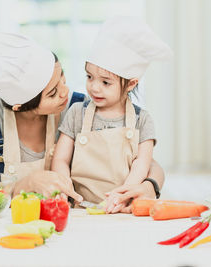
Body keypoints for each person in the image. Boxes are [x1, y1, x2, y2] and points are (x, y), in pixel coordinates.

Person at [0, 29, 164, 209]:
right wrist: (25, 185)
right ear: (19, 106)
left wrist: (149, 187)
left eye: (63, 78)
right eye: (53, 93)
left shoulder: (83, 108)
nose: (65, 92)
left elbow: (149, 164)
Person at [52, 16, 172, 213]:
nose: (94, 87)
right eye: (89, 77)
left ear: (131, 84)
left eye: (105, 82)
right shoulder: (76, 113)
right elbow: (61, 159)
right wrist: (64, 187)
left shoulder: (142, 120)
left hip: (123, 207)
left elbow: (142, 164)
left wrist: (123, 194)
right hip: (79, 207)